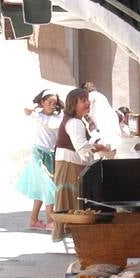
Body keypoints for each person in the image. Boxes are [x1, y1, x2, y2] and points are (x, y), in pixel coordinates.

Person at [51, 87, 111, 241]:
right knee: (71, 198)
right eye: (83, 100)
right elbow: (82, 147)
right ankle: (72, 234)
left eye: (87, 100)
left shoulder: (76, 121)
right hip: (69, 163)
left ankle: (67, 232)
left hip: (68, 162)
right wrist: (103, 148)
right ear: (73, 103)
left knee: (69, 198)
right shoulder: (74, 123)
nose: (87, 103)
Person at [17, 91, 61, 229]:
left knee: (43, 188)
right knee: (49, 188)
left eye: (55, 103)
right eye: (49, 102)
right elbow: (26, 109)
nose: (53, 105)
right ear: (42, 102)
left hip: (51, 155)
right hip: (39, 155)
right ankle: (50, 220)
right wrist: (37, 105)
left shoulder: (57, 117)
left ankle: (33, 220)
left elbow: (55, 127)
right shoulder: (37, 115)